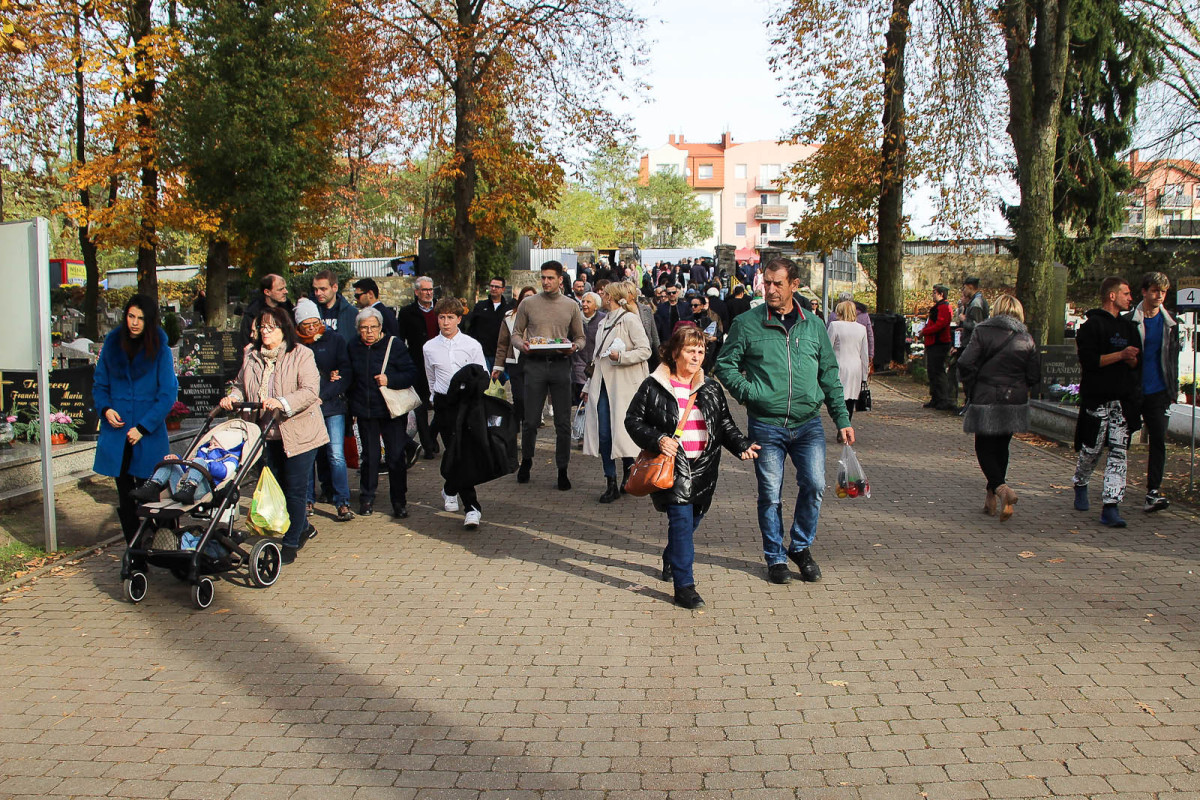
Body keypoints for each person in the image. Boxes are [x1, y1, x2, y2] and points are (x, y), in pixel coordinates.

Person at [714, 257, 853, 585]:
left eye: (778, 283)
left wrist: (841, 418)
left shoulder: (814, 325)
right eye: (767, 282)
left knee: (815, 485)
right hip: (767, 423)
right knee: (771, 493)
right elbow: (724, 365)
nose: (770, 289)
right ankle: (775, 556)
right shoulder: (748, 323)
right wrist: (751, 394)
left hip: (808, 423)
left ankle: (801, 547)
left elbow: (829, 374)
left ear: (794, 284)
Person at [626, 326, 759, 609]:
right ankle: (684, 588)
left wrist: (741, 445)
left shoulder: (710, 387)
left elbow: (723, 424)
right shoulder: (653, 385)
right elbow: (633, 421)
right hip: (675, 468)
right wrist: (659, 439)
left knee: (693, 521)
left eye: (700, 351)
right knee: (682, 524)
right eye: (690, 350)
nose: (697, 356)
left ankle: (672, 555)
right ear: (675, 353)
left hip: (705, 469)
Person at [221, 305, 329, 564]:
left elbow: (310, 390)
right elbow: (240, 385)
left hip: (299, 431)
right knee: (276, 487)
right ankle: (302, 526)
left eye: (271, 327)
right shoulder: (251, 354)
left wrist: (282, 401)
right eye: (262, 327)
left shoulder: (301, 354)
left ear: (284, 330)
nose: (265, 332)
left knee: (295, 488)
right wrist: (232, 398)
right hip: (265, 432)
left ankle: (291, 541)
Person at [92, 295, 179, 543]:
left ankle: (165, 542)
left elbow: (167, 394)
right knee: (125, 497)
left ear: (149, 321)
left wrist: (143, 427)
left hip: (147, 435)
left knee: (151, 494)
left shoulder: (159, 349)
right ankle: (135, 549)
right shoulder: (112, 344)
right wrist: (106, 409)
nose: (134, 323)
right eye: (131, 316)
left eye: (141, 318)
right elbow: (100, 384)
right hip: (117, 433)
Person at [957, 295, 1040, 521]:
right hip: (1014, 401)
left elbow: (965, 362)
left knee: (983, 448)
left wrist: (971, 383)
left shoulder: (983, 332)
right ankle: (991, 499)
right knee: (1001, 448)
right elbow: (1034, 375)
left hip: (986, 398)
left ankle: (1002, 489)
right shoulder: (1026, 338)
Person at [1072, 276, 1142, 528]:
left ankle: (1111, 505)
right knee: (1092, 449)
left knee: (1118, 453)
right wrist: (1121, 355)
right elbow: (1091, 362)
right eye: (1126, 293)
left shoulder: (1130, 328)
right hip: (1097, 399)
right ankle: (1080, 482)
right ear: (1112, 296)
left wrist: (1131, 359)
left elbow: (1136, 363)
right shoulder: (1091, 327)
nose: (1130, 298)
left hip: (1122, 402)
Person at [510, 261, 586, 489]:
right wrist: (522, 345)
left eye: (550, 278)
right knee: (531, 420)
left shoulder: (571, 305)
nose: (545, 282)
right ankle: (527, 461)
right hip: (534, 364)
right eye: (543, 277)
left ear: (560, 280)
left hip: (561, 364)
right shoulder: (529, 304)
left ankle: (562, 469)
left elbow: (580, 338)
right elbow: (515, 333)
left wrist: (574, 347)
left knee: (563, 422)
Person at [582, 282, 652, 503]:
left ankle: (628, 473)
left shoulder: (630, 319)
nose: (601, 295)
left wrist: (621, 358)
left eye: (604, 293)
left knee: (623, 433)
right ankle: (610, 480)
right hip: (601, 385)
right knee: (604, 434)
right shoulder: (603, 321)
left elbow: (645, 350)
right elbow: (595, 357)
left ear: (612, 296)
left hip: (623, 387)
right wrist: (587, 387)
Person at [346, 306, 417, 519]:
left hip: (391, 412)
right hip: (366, 411)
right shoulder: (353, 346)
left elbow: (411, 374)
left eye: (373, 327)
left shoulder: (394, 345)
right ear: (358, 329)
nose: (369, 332)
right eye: (364, 328)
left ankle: (399, 502)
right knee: (370, 457)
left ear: (380, 327)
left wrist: (390, 380)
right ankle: (367, 498)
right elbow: (350, 377)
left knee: (396, 457)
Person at [424, 298, 489, 528]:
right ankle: (470, 505)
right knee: (453, 451)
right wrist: (434, 399)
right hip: (444, 405)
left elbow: (483, 374)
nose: (446, 322)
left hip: (467, 404)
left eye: (450, 317)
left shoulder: (471, 345)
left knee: (464, 454)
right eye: (441, 317)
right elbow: (431, 378)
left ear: (459, 319)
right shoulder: (429, 347)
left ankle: (455, 492)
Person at [293, 299, 355, 523]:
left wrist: (325, 393)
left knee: (336, 454)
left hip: (331, 404)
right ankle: (307, 499)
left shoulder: (335, 340)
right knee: (308, 456)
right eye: (305, 325)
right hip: (305, 406)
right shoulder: (295, 345)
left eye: (314, 323)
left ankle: (342, 501)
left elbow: (345, 372)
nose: (311, 328)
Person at [1125, 271, 1181, 513]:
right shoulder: (1130, 320)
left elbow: (1172, 359)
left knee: (1158, 440)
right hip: (1133, 390)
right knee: (1121, 440)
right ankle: (1112, 484)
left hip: (1159, 391)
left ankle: (1153, 492)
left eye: (1164, 291)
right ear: (1145, 292)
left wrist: (1173, 389)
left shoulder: (1171, 324)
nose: (1159, 295)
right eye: (1155, 291)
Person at [130, 434, 243, 505]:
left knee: (198, 462)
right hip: (181, 489)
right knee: (170, 462)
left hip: (204, 490)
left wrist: (205, 464)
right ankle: (153, 487)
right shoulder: (203, 453)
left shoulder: (230, 459)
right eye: (210, 443)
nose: (210, 446)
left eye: (215, 444)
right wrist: (177, 459)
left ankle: (189, 489)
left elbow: (225, 472)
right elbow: (187, 469)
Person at [397, 275, 439, 458]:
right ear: (417, 292)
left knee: (442, 405)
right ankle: (428, 447)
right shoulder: (407, 313)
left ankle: (431, 435)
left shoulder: (440, 309)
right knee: (421, 406)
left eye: (430, 290)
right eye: (424, 290)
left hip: (440, 363)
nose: (428, 293)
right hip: (418, 365)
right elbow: (401, 339)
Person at [492, 286, 538, 436]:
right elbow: (502, 343)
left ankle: (528, 428)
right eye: (525, 297)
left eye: (531, 297)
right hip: (516, 361)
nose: (528, 300)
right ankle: (517, 427)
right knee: (518, 397)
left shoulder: (540, 316)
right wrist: (498, 366)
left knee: (531, 398)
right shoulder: (509, 317)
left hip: (534, 361)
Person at [828, 300, 869, 425]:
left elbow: (827, 347)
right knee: (851, 397)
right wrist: (864, 375)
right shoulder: (861, 329)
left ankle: (841, 423)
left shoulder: (835, 326)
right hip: (855, 367)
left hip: (839, 364)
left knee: (839, 396)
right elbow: (864, 353)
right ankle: (847, 422)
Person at [466, 276, 510, 372]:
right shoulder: (480, 306)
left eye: (497, 287)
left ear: (503, 289)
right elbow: (472, 328)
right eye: (492, 286)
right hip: (482, 353)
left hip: (501, 355)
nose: (493, 289)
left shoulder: (508, 309)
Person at [922, 284, 953, 410]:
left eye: (934, 292)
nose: (933, 295)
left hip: (939, 343)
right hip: (933, 342)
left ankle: (942, 399)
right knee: (932, 371)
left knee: (938, 371)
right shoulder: (938, 307)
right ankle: (935, 397)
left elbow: (940, 324)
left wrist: (926, 331)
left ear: (941, 294)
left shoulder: (944, 307)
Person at [239, 274, 292, 347]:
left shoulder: (288, 308)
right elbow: (245, 342)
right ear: (267, 292)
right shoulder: (252, 313)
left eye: (285, 288)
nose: (286, 291)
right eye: (280, 289)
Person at [572, 292, 605, 405]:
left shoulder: (603, 319)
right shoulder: (575, 318)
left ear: (596, 306)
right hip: (578, 364)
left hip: (596, 365)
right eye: (583, 301)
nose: (584, 304)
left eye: (588, 302)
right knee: (581, 399)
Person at [311, 269, 359, 344]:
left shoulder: (351, 313)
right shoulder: (311, 311)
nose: (318, 293)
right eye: (315, 289)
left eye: (323, 289)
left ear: (335, 288)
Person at [689, 294, 724, 372]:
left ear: (702, 306)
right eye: (691, 305)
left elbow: (718, 333)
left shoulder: (707, 320)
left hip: (706, 352)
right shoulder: (687, 319)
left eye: (695, 305)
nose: (693, 307)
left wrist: (714, 338)